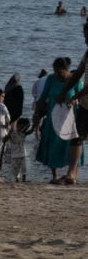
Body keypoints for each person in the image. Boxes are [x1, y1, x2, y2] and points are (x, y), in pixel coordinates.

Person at [33, 57, 80, 183]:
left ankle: (72, 174)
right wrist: (37, 113)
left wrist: (74, 100)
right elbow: (43, 97)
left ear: (66, 70)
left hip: (70, 119)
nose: (57, 74)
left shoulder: (75, 80)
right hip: (53, 118)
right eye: (54, 71)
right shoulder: (51, 79)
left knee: (72, 146)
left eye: (59, 72)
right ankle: (54, 176)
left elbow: (81, 97)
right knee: (52, 145)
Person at [55, 18, 88, 184]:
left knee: (79, 136)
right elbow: (77, 74)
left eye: (87, 35)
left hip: (84, 101)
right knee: (77, 137)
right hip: (85, 104)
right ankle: (71, 175)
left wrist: (74, 97)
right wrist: (64, 92)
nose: (85, 39)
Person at [6, 117, 31, 183]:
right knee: (15, 169)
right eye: (20, 126)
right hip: (14, 154)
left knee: (23, 168)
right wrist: (9, 134)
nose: (23, 128)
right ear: (18, 125)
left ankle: (23, 180)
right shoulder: (13, 133)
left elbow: (30, 130)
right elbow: (5, 139)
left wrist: (34, 125)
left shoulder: (23, 133)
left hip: (22, 154)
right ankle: (17, 179)